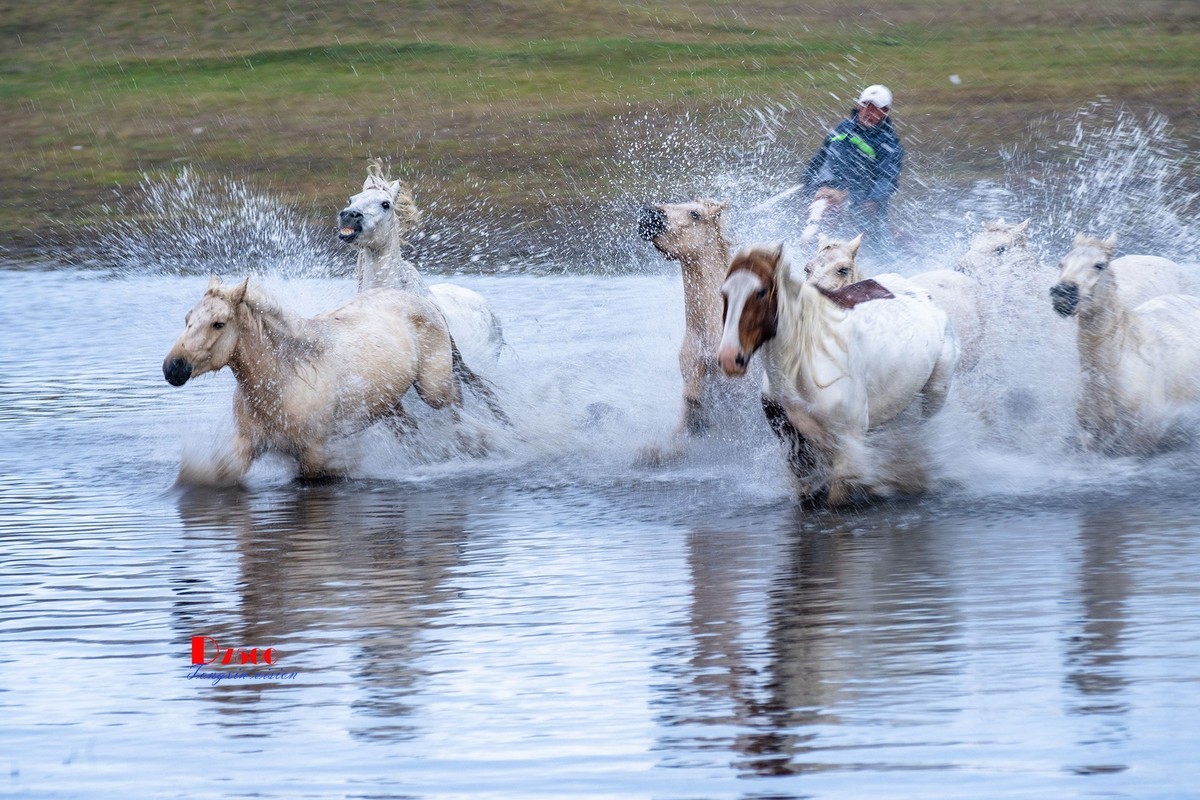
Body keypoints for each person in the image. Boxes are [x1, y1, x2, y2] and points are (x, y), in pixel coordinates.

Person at [802, 84, 904, 252]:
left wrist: (873, 200)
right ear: (859, 105)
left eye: (874, 109)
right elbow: (820, 159)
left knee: (881, 247)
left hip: (864, 202)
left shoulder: (889, 144)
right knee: (813, 228)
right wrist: (809, 185)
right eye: (865, 106)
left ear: (884, 111)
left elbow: (887, 179)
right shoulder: (842, 128)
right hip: (831, 192)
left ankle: (889, 266)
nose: (867, 112)